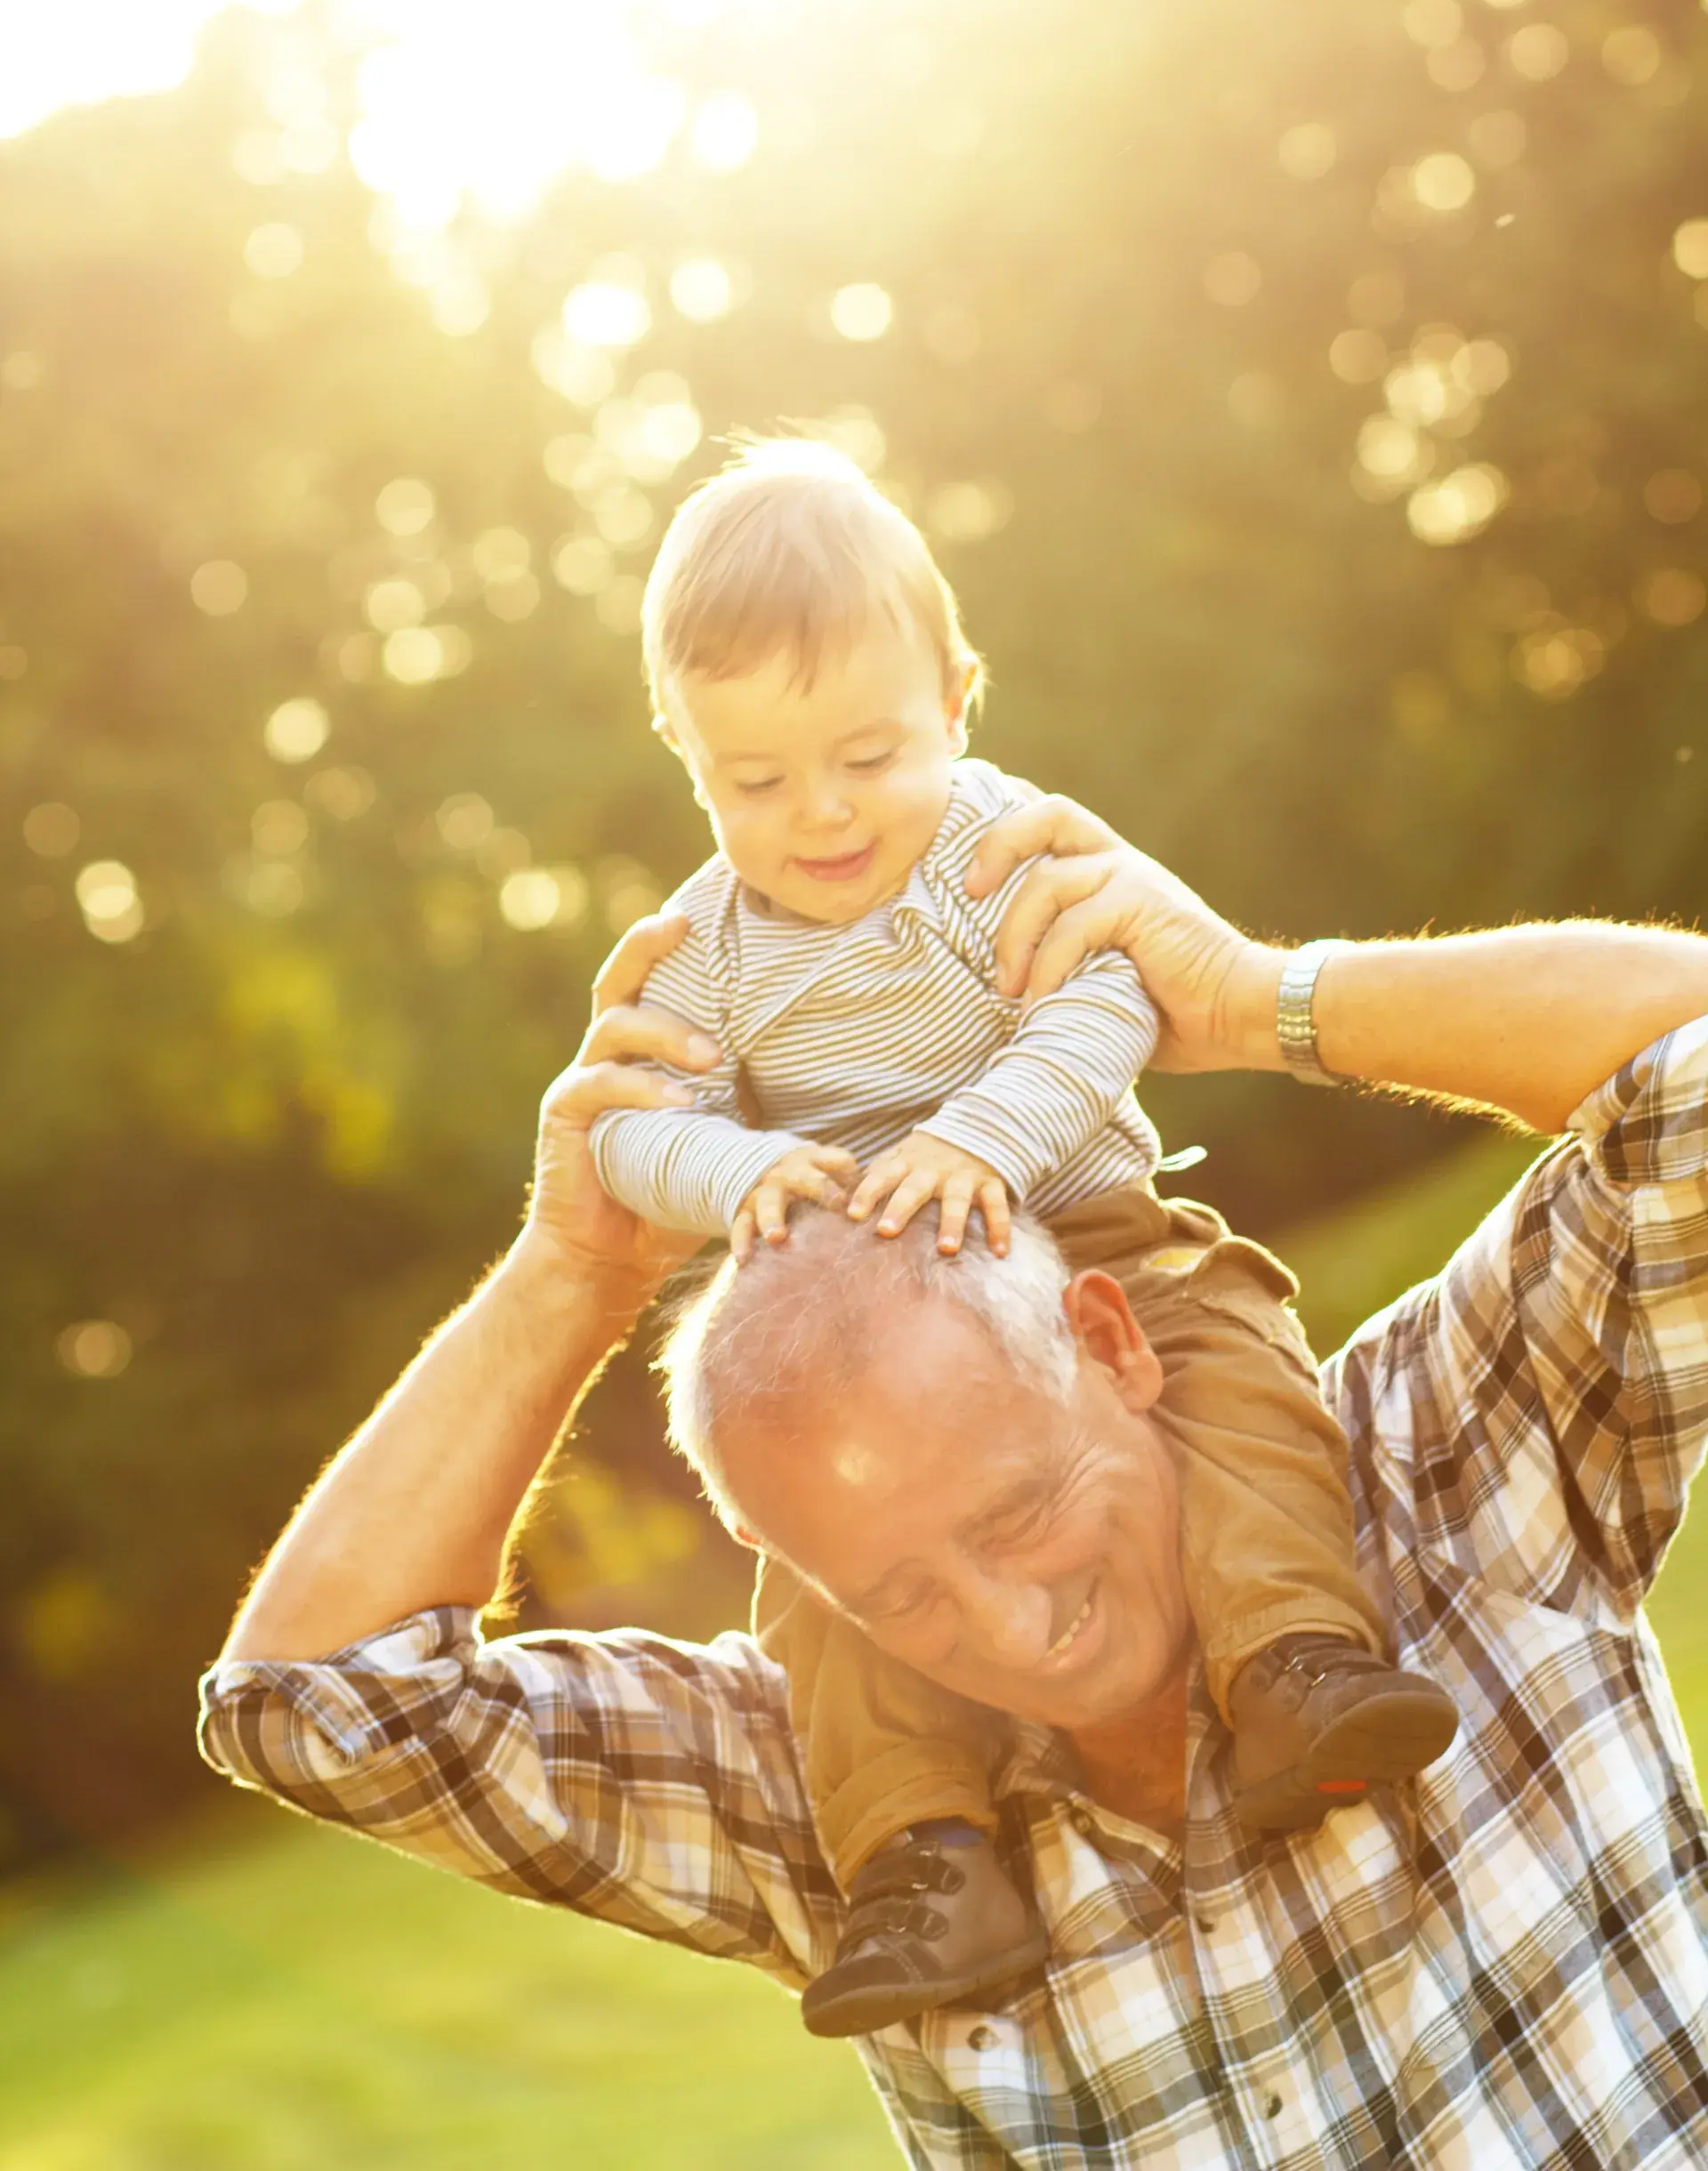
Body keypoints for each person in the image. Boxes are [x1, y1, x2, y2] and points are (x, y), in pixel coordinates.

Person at [200, 809, 1708, 2170]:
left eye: (1014, 1511)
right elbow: (316, 1701)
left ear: (1111, 1343)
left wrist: (1261, 1000)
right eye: (899, 1590)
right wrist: (569, 1273)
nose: (1011, 1629)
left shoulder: (1443, 1467)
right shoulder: (832, 1804)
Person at [586, 437, 1454, 2030]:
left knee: (1238, 1368)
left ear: (957, 701)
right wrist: (731, 1173)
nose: (822, 814)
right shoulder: (702, 944)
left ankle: (1293, 1662)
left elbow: (1111, 995)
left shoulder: (1001, 850)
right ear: (685, 756)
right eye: (755, 783)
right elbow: (625, 1124)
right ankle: (922, 1854)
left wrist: (975, 1134)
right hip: (874, 1336)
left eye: (867, 754)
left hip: (1090, 1229)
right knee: (823, 1572)